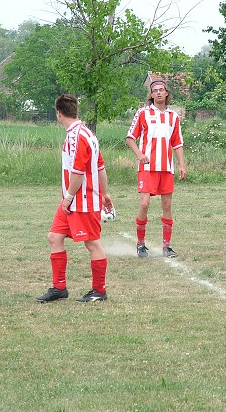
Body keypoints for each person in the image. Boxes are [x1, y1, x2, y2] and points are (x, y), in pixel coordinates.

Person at [36, 94, 113, 303]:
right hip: (72, 201)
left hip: (82, 200)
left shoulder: (78, 136)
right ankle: (59, 288)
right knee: (54, 236)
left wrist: (68, 198)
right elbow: (101, 167)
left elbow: (78, 172)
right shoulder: (87, 133)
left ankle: (99, 291)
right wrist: (106, 193)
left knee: (92, 244)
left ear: (58, 114)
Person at [126, 79, 186, 258]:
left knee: (167, 205)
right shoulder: (143, 113)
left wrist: (182, 165)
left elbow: (177, 143)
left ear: (167, 93)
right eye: (155, 90)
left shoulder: (173, 117)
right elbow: (130, 138)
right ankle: (141, 244)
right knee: (144, 204)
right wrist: (139, 154)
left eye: (162, 90)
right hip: (147, 167)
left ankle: (167, 246)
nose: (159, 93)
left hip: (166, 168)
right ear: (151, 95)